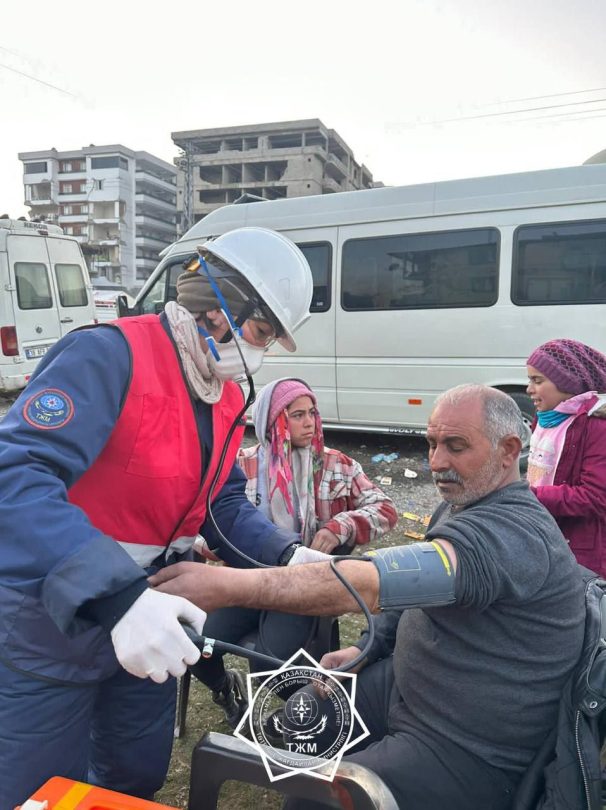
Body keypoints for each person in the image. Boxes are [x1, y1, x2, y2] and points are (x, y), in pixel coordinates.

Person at [0, 226, 320, 809]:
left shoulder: (223, 395)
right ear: (220, 308)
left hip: (155, 613)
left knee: (135, 773)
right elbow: (17, 475)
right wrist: (118, 598)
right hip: (58, 618)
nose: (262, 353)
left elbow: (221, 503)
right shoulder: (108, 355)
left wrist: (291, 556)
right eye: (261, 332)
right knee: (40, 792)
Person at [151, 384, 586, 810]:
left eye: (455, 446)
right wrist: (364, 647)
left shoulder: (513, 533)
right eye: (432, 444)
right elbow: (413, 597)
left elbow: (372, 584)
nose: (436, 462)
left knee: (316, 798)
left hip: (463, 742)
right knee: (303, 719)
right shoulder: (462, 502)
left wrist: (225, 585)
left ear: (508, 451)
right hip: (407, 686)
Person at [190, 377, 397, 726]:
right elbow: (209, 523)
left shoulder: (336, 465)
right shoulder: (243, 465)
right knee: (198, 643)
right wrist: (214, 547)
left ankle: (314, 713)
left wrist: (338, 527)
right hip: (245, 582)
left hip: (303, 585)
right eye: (297, 415)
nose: (309, 422)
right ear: (272, 422)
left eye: (312, 413)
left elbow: (385, 508)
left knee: (269, 664)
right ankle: (226, 690)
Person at [526, 338, 606, 576]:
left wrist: (529, 495)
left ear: (567, 383)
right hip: (548, 532)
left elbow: (595, 497)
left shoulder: (596, 426)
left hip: (583, 551)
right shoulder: (545, 419)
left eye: (537, 381)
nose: (529, 389)